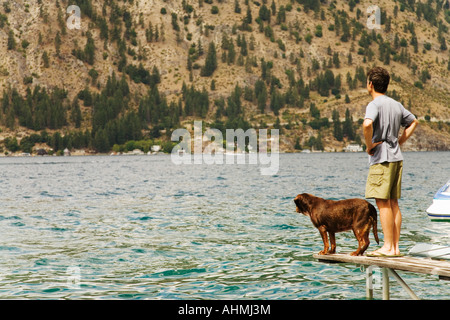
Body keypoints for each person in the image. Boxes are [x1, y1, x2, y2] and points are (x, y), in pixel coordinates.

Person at [362, 66, 419, 257]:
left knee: (383, 203)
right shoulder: (396, 104)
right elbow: (414, 122)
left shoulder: (374, 104)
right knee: (393, 203)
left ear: (370, 84)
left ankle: (387, 247)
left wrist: (369, 145)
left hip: (382, 158)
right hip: (396, 157)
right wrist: (400, 141)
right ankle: (395, 247)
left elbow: (367, 124)